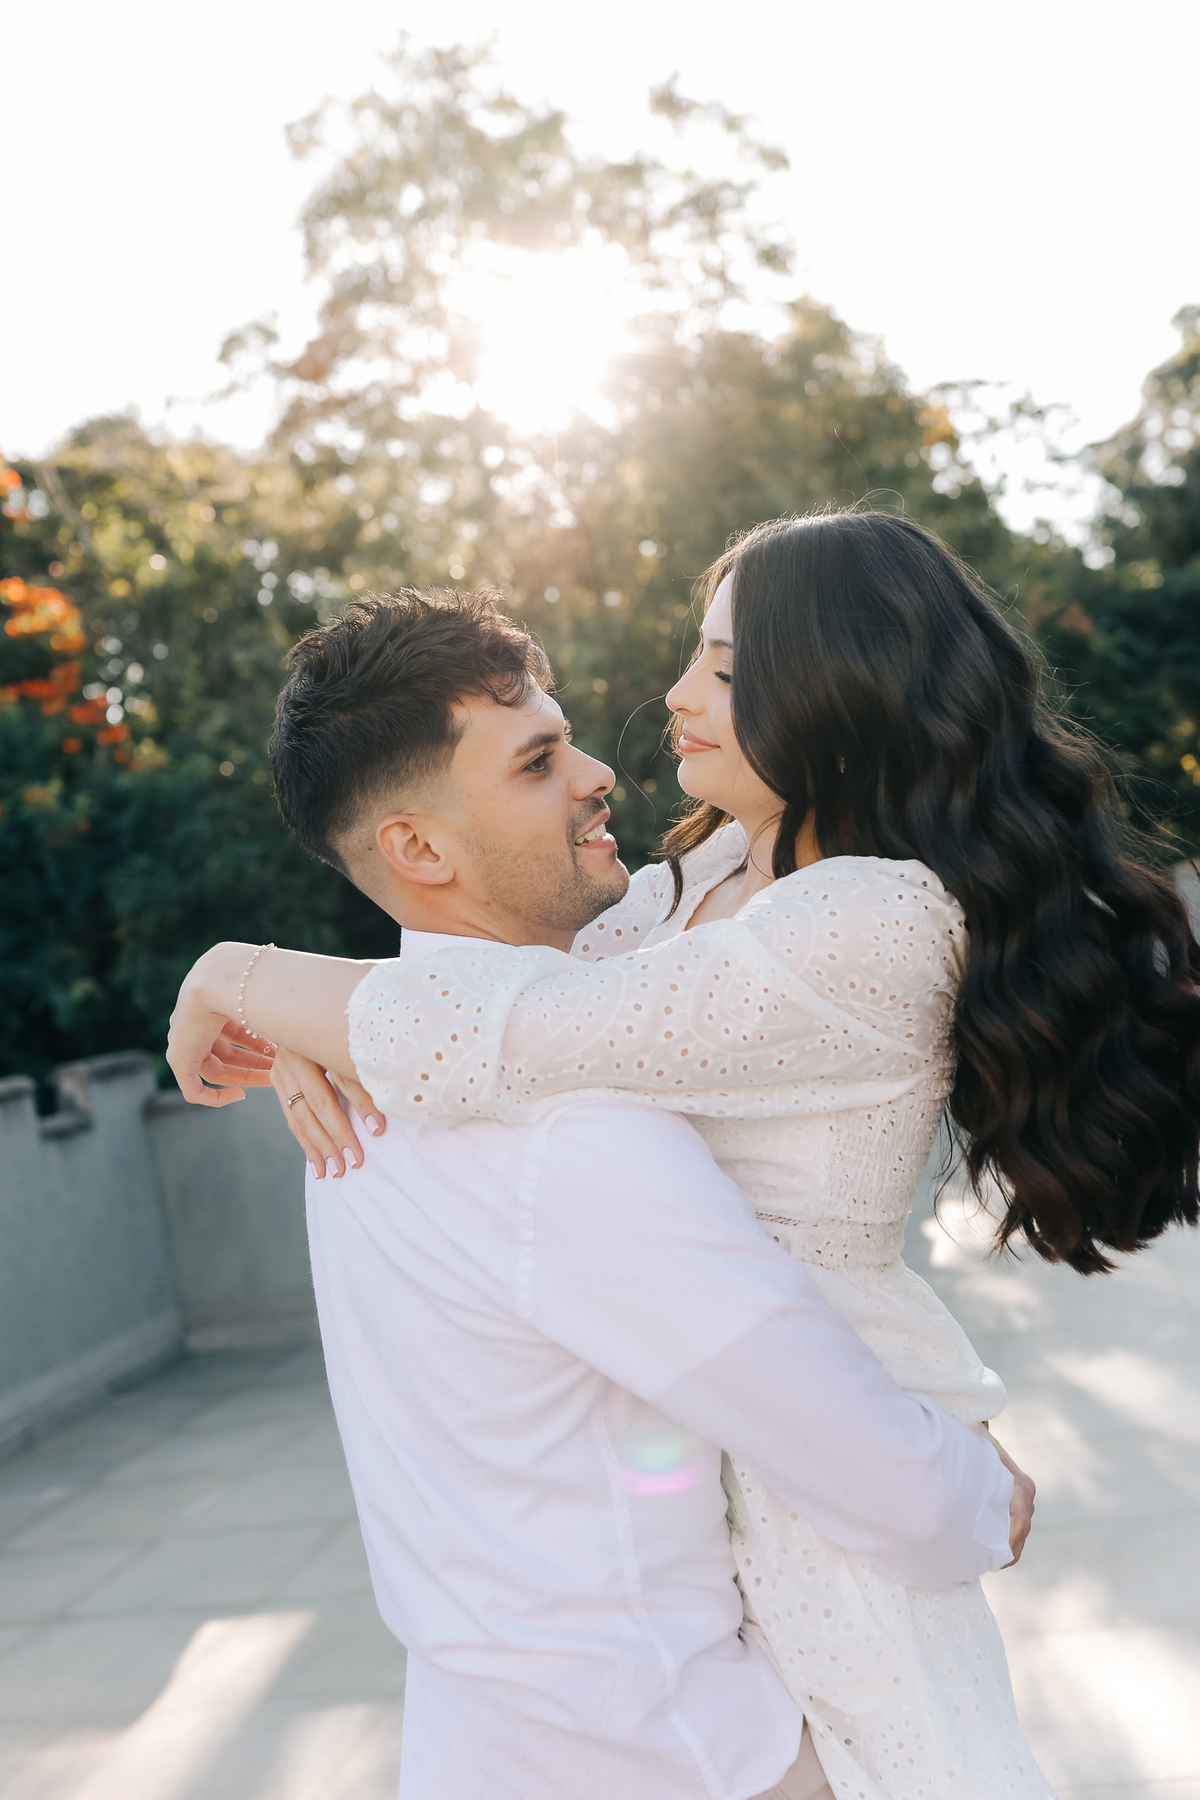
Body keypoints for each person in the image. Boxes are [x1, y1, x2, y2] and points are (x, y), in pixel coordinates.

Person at [171, 510, 1200, 1794]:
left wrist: (246, 977)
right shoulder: (661, 940)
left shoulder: (862, 919)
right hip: (729, 1593)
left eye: (723, 666)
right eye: (540, 759)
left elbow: (530, 1022)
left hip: (814, 1521)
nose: (655, 714)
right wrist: (302, 1013)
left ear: (837, 687)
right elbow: (512, 1007)